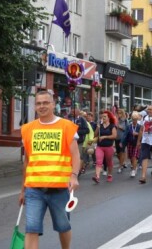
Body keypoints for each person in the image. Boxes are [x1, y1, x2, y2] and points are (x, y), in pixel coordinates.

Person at [19, 90, 81, 249]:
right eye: (39, 103)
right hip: (34, 189)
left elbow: (75, 156)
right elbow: (27, 161)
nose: (42, 106)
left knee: (63, 226)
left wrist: (74, 176)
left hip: (59, 189)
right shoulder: (28, 129)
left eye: (46, 103)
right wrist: (23, 190)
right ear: (35, 106)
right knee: (31, 229)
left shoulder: (66, 126)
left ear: (53, 104)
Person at [88, 111, 117, 183]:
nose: (103, 118)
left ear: (108, 118)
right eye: (102, 116)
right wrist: (97, 128)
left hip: (109, 147)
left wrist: (105, 137)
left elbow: (114, 136)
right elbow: (95, 135)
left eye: (105, 116)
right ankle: (97, 176)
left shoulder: (112, 126)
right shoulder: (100, 126)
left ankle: (110, 174)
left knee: (109, 162)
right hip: (100, 146)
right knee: (98, 161)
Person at [122, 111, 142, 177]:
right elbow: (125, 134)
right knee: (131, 157)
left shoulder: (140, 126)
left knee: (134, 156)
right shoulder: (129, 126)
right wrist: (122, 142)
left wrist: (137, 134)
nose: (134, 121)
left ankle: (133, 170)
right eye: (133, 119)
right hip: (130, 143)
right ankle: (134, 166)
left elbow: (143, 135)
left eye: (135, 119)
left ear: (137, 119)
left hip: (137, 143)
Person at [115, 109, 129, 173]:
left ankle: (120, 166)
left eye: (120, 113)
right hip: (116, 138)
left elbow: (127, 130)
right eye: (118, 113)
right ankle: (122, 162)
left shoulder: (125, 121)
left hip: (123, 138)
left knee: (121, 152)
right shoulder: (116, 120)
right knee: (117, 153)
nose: (119, 114)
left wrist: (120, 127)